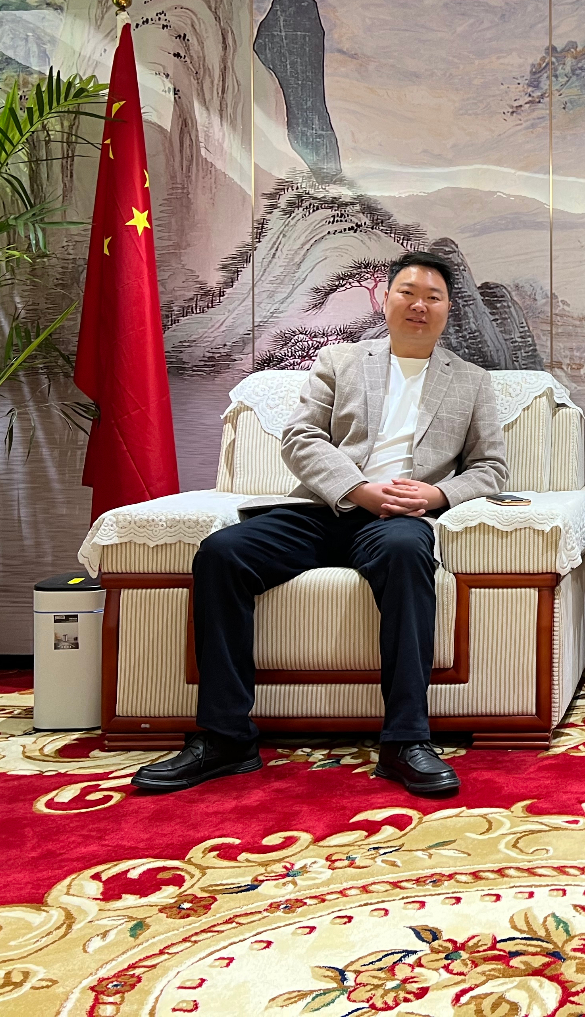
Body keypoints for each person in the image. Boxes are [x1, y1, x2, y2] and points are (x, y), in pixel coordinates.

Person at [133, 251, 509, 797]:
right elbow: (301, 437)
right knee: (221, 554)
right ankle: (226, 738)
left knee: (408, 555)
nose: (419, 305)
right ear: (385, 299)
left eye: (433, 297)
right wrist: (357, 488)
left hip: (398, 522)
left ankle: (405, 741)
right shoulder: (341, 360)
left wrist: (436, 494)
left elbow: (491, 467)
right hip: (323, 509)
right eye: (408, 293)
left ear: (448, 309)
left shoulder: (471, 381)